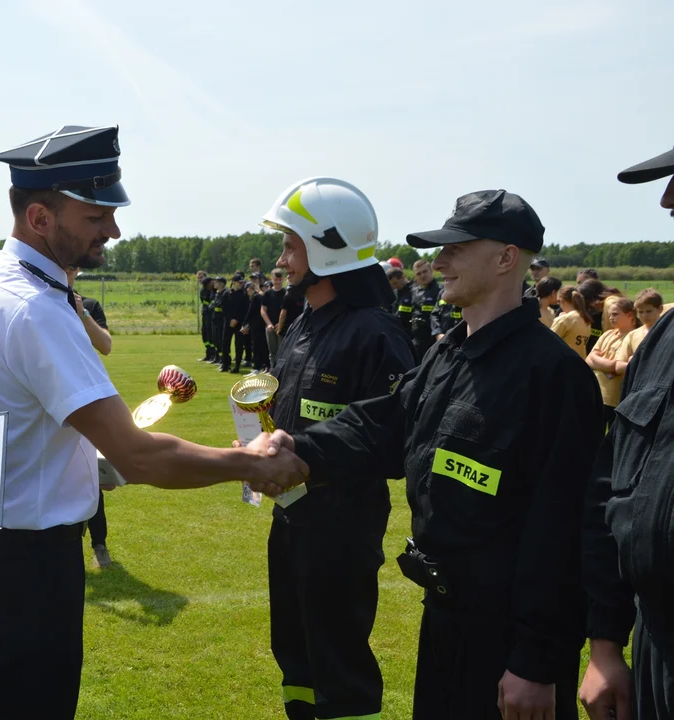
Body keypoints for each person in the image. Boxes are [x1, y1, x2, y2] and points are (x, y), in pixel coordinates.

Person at [0, 124, 308, 720]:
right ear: (39, 217)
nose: (113, 229)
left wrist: (92, 465)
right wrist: (250, 460)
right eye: (95, 216)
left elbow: (21, 430)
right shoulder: (36, 309)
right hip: (29, 560)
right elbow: (141, 455)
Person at [265, 189, 603, 719]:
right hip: (444, 618)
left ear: (506, 258)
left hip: (506, 642)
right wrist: (296, 449)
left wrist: (537, 662)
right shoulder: (449, 356)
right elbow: (382, 424)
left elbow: (561, 531)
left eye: (456, 249)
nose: (438, 262)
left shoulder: (553, 375)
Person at [257, 177, 417, 720]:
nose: (282, 260)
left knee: (338, 664)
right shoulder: (305, 322)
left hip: (341, 527)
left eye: (290, 246)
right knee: (295, 654)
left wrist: (305, 452)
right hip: (291, 520)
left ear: (327, 248)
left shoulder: (375, 333)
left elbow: (395, 438)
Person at [579, 143, 674, 720]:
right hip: (656, 644)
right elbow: (616, 493)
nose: (666, 199)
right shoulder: (662, 342)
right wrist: (607, 642)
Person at [66, 267, 115, 568]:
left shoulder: (91, 305)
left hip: (85, 394)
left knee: (92, 473)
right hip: (51, 395)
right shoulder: (42, 301)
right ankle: (65, 548)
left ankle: (100, 544)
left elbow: (105, 345)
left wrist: (82, 313)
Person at [585, 297, 636, 431]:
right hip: (599, 396)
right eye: (609, 315)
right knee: (594, 438)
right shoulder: (607, 335)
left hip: (619, 399)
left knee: (614, 442)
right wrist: (613, 365)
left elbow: (624, 368)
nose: (611, 318)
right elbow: (589, 360)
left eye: (615, 314)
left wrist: (601, 363)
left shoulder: (636, 337)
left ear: (630, 315)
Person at [613, 287, 664, 376]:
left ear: (660, 309)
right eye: (640, 312)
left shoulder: (668, 332)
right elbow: (619, 366)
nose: (644, 315)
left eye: (649, 311)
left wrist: (636, 362)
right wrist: (636, 363)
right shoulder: (632, 335)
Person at [408, 258, 441, 357]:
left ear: (431, 271)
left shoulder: (441, 290)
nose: (422, 275)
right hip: (417, 340)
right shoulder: (413, 291)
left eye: (425, 271)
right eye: (418, 274)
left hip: (433, 341)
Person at [550, 284, 592, 360]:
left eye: (559, 301)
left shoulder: (564, 319)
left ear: (563, 301)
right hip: (580, 365)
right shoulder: (585, 319)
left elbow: (549, 343)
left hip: (564, 365)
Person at [221, 272, 249, 373]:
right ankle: (225, 364)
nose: (241, 284)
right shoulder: (226, 294)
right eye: (239, 282)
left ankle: (237, 365)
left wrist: (236, 319)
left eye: (242, 282)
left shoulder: (244, 295)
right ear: (233, 282)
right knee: (225, 343)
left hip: (239, 323)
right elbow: (224, 308)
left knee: (239, 345)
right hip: (228, 323)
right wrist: (230, 319)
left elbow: (245, 309)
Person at [243, 275, 269, 372]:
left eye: (256, 280)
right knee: (257, 345)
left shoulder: (259, 295)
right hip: (255, 324)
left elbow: (251, 311)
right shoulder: (256, 295)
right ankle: (260, 366)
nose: (254, 282)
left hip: (260, 324)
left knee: (259, 345)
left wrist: (244, 323)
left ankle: (259, 366)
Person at [261, 268, 286, 365]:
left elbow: (289, 311)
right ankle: (273, 372)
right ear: (272, 279)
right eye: (275, 279)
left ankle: (281, 373)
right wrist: (269, 324)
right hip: (270, 327)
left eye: (280, 279)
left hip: (282, 327)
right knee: (272, 352)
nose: (278, 282)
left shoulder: (286, 293)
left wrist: (281, 324)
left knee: (282, 351)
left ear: (283, 279)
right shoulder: (267, 294)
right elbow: (263, 310)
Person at [386, 266, 414, 334]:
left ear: (402, 277)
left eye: (395, 283)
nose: (394, 286)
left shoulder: (414, 291)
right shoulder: (395, 293)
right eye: (392, 284)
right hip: (397, 331)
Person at [198, 271, 215, 362]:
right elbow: (203, 302)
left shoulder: (212, 290)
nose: (200, 279)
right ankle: (208, 354)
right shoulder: (202, 290)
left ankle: (214, 355)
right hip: (204, 314)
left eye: (201, 277)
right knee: (205, 334)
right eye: (198, 278)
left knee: (211, 334)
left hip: (211, 315)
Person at [210, 275, 227, 364]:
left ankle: (222, 358)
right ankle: (217, 356)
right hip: (215, 318)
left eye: (216, 282)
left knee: (220, 339)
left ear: (221, 284)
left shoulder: (224, 293)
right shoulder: (216, 292)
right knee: (215, 339)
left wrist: (216, 305)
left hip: (221, 319)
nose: (214, 283)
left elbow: (220, 305)